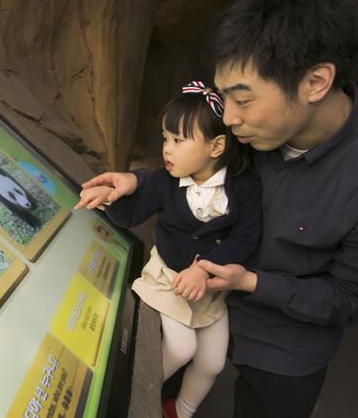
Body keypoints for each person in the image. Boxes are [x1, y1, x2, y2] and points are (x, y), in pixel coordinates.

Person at [78, 0, 358, 417]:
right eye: (224, 98)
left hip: (283, 352)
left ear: (315, 82)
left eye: (243, 100)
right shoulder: (247, 134)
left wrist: (249, 282)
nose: (228, 118)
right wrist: (136, 179)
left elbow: (346, 299)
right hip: (191, 307)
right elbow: (200, 161)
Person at [76, 81, 262, 418]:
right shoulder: (165, 181)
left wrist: (204, 267)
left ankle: (179, 411)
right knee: (182, 347)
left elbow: (245, 239)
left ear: (217, 146)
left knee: (213, 362)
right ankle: (129, 402)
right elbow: (134, 212)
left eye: (178, 140)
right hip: (168, 280)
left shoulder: (244, 186)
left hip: (209, 290)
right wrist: (111, 199)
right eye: (165, 138)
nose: (167, 149)